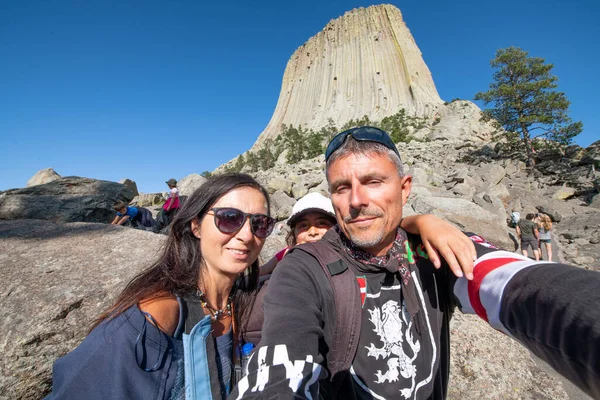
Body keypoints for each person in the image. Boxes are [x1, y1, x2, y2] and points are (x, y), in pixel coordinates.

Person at [231, 126, 600, 399]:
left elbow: (517, 286)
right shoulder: (305, 266)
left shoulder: (433, 250)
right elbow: (281, 361)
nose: (356, 199)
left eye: (373, 181)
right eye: (342, 188)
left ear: (405, 188)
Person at [46, 173, 277, 399]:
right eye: (229, 218)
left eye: (260, 223)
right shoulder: (155, 316)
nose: (247, 235)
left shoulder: (246, 303)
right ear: (196, 226)